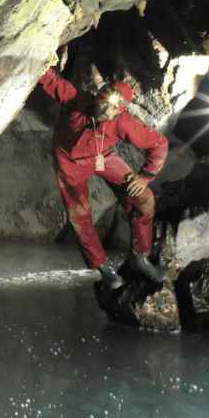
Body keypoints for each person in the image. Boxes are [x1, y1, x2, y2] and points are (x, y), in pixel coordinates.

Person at [37, 54, 167, 290]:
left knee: (144, 199)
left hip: (103, 157)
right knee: (80, 214)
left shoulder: (124, 123)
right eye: (103, 100)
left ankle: (141, 255)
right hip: (69, 162)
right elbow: (53, 82)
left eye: (111, 107)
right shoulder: (79, 100)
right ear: (97, 95)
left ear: (120, 111)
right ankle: (103, 267)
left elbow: (159, 144)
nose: (104, 108)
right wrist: (40, 61)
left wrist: (146, 176)